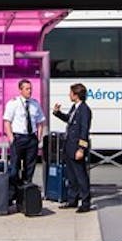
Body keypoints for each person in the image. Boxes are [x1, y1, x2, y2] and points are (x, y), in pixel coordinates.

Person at [53, 82, 94, 213]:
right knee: (71, 176)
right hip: (69, 146)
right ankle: (72, 199)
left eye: (71, 93)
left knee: (80, 175)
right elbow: (69, 120)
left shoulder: (84, 110)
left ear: (76, 95)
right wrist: (57, 113)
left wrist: (81, 149)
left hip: (77, 148)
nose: (69, 95)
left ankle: (85, 202)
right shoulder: (74, 107)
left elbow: (84, 130)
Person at [2, 78, 46, 185]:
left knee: (30, 166)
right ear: (20, 90)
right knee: (15, 166)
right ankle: (15, 190)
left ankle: (27, 188)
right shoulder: (13, 103)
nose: (29, 91)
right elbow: (7, 121)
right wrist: (11, 138)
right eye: (27, 89)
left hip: (31, 138)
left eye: (30, 89)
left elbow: (40, 121)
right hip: (18, 138)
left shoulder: (35, 104)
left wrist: (38, 137)